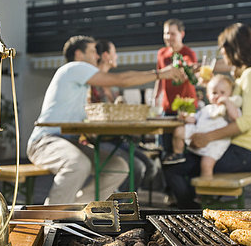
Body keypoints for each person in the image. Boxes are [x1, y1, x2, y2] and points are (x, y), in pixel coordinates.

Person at [27, 35, 185, 204]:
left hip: (69, 142)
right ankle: (50, 218)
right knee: (78, 165)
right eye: (93, 51)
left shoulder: (79, 83)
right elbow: (121, 80)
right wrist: (160, 74)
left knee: (119, 167)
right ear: (79, 54)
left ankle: (78, 209)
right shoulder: (74, 67)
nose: (97, 56)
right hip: (44, 142)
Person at [163, 23, 251, 209]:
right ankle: (193, 209)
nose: (222, 54)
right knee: (177, 163)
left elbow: (247, 122)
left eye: (223, 49)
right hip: (235, 146)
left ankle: (192, 212)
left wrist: (207, 137)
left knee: (175, 167)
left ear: (234, 49)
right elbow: (223, 107)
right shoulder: (244, 75)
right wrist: (209, 86)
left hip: (247, 152)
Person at [89, 39, 161, 192]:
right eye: (115, 53)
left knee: (150, 167)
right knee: (137, 168)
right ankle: (119, 203)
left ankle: (120, 197)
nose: (117, 57)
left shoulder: (113, 86)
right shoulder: (91, 84)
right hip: (98, 139)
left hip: (117, 137)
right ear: (106, 55)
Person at [163, 74, 242, 167]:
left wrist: (227, 102)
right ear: (208, 95)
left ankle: (206, 179)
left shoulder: (228, 108)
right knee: (179, 131)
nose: (218, 96)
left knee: (206, 164)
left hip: (215, 142)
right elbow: (195, 119)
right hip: (197, 134)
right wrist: (186, 118)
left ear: (230, 94)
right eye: (214, 93)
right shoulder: (207, 109)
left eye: (222, 93)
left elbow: (235, 118)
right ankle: (178, 154)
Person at [154, 18, 198, 153]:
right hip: (168, 107)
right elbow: (159, 77)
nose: (168, 37)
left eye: (172, 34)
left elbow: (190, 67)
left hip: (186, 107)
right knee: (164, 145)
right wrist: (155, 98)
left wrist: (184, 68)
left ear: (181, 34)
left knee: (183, 146)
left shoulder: (188, 53)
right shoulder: (161, 53)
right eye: (166, 33)